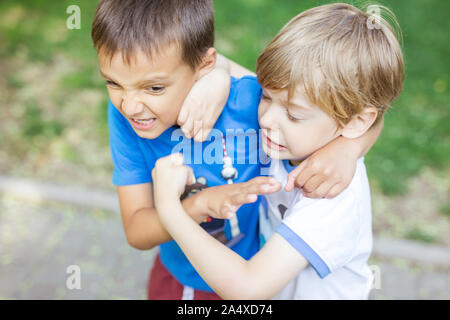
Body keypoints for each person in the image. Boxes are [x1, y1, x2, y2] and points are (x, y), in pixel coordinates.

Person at [91, 0, 382, 299]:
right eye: (113, 83)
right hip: (184, 278)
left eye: (154, 88)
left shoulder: (256, 105)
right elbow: (137, 231)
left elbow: (354, 112)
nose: (130, 105)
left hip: (247, 277)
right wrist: (197, 205)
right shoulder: (127, 119)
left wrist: (350, 147)